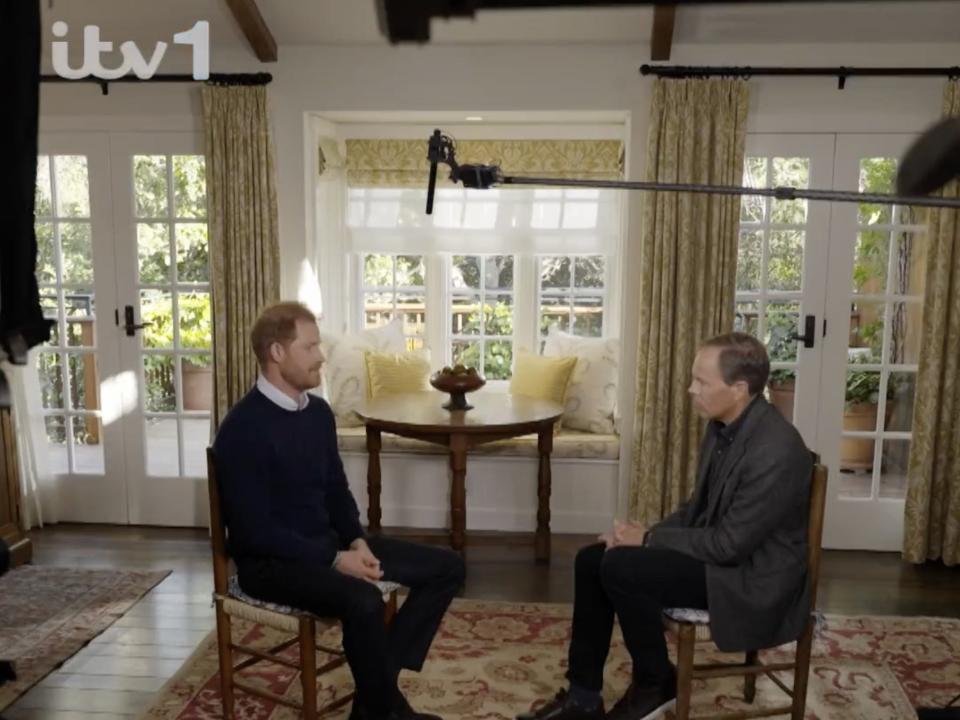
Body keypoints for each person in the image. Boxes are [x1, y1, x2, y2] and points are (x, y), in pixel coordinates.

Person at [518, 332, 812, 720]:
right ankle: (583, 697)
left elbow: (730, 547)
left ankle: (655, 680)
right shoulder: (724, 426)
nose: (691, 390)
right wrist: (634, 538)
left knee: (622, 568)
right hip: (723, 557)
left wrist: (649, 540)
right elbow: (696, 510)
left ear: (739, 389)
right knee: (595, 559)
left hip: (751, 579)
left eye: (702, 382)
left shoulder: (775, 449)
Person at [213, 301, 465, 720]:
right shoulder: (241, 430)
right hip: (271, 564)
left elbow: (336, 492)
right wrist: (334, 560)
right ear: (277, 353)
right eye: (310, 347)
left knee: (448, 568)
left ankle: (373, 700)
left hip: (329, 546)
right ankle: (385, 708)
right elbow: (252, 532)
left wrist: (356, 541)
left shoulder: (318, 414)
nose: (321, 356)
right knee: (364, 602)